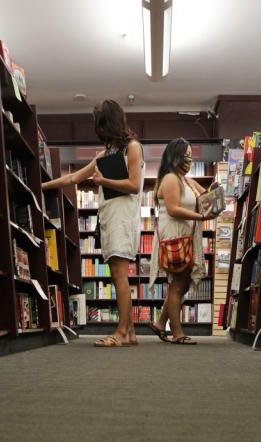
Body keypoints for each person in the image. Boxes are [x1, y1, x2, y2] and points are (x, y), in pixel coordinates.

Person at [42, 99, 144, 347]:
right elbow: (76, 176)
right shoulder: (106, 154)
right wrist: (41, 185)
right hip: (109, 218)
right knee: (118, 274)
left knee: (120, 275)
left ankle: (121, 332)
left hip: (123, 217)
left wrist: (103, 181)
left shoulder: (133, 147)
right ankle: (129, 333)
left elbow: (133, 185)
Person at [148, 138, 217, 345]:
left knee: (182, 283)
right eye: (186, 155)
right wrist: (202, 217)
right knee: (178, 284)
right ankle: (177, 333)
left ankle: (161, 323)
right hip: (174, 237)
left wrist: (214, 195)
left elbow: (204, 196)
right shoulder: (170, 179)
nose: (190, 159)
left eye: (191, 155)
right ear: (176, 156)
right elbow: (173, 209)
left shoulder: (185, 180)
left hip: (185, 236)